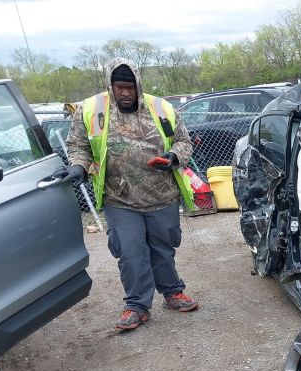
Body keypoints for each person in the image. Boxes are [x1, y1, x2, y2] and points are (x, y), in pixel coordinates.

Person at [59, 58, 199, 331]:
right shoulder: (91, 110)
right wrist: (78, 166)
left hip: (161, 195)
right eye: (119, 87)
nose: (125, 93)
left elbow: (183, 140)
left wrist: (173, 157)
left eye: (130, 87)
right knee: (131, 252)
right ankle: (136, 305)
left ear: (138, 85)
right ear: (111, 86)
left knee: (163, 248)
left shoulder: (161, 109)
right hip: (119, 198)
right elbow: (78, 145)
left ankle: (172, 293)